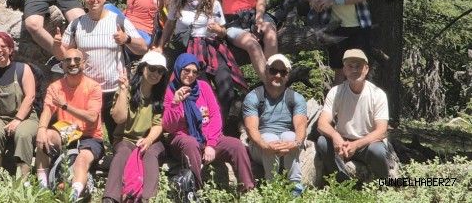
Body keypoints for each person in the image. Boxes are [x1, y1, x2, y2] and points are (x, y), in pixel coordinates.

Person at [53, 0, 147, 144]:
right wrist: (56, 44)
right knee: (84, 135)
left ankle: (118, 164)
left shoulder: (119, 21)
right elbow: (64, 56)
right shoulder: (77, 24)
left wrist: (127, 39)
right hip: (86, 90)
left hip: (114, 88)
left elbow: (142, 47)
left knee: (117, 136)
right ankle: (87, 163)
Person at [153, 0, 246, 122]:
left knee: (226, 90)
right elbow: (169, 25)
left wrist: (218, 30)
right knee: (200, 90)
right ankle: (200, 126)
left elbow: (223, 30)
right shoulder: (177, 1)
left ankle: (218, 126)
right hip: (189, 48)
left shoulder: (212, 2)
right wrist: (161, 46)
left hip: (211, 46)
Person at [163, 53, 254, 192]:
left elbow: (215, 116)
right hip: (182, 140)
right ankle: (195, 192)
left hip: (206, 138)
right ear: (179, 69)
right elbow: (169, 127)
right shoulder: (170, 91)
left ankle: (247, 190)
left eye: (195, 72)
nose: (191, 74)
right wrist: (175, 103)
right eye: (186, 70)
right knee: (190, 143)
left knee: (236, 146)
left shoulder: (203, 87)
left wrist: (211, 144)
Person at [34, 49, 104, 201]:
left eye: (77, 60)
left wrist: (65, 106)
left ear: (83, 64)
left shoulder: (93, 87)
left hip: (90, 136)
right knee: (44, 138)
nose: (72, 63)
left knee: (81, 160)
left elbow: (92, 118)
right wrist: (41, 129)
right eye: (68, 60)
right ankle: (42, 187)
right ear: (62, 65)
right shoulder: (55, 87)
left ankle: (73, 195)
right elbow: (47, 110)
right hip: (66, 132)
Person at [102, 51, 168, 203]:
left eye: (160, 71)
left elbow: (158, 125)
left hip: (152, 139)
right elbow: (119, 118)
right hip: (125, 139)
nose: (156, 74)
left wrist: (149, 140)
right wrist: (124, 91)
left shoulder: (160, 94)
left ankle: (147, 199)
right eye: (152, 68)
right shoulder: (127, 88)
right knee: (123, 151)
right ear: (143, 68)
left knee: (151, 154)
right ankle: (110, 197)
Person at [316, 49, 390, 181]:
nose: (354, 70)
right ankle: (342, 182)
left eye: (358, 66)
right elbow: (322, 123)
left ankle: (383, 182)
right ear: (344, 71)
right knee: (322, 142)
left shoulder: (377, 94)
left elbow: (381, 131)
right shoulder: (336, 92)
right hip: (343, 142)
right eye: (350, 66)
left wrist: (356, 145)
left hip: (367, 143)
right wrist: (336, 136)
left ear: (366, 69)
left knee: (377, 151)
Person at [242, 54, 307, 196]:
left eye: (283, 72)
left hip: (286, 147)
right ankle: (272, 188)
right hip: (260, 147)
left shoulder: (296, 98)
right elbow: (251, 129)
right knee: (269, 138)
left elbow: (301, 127)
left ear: (288, 76)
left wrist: (296, 143)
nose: (277, 75)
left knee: (290, 135)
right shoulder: (253, 97)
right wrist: (265, 146)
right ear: (266, 71)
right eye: (273, 71)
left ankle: (295, 187)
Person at [0, 32, 39, 177]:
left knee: (23, 134)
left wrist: (17, 120)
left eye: (3, 46)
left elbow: (30, 97)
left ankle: (22, 179)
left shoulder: (23, 69)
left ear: (11, 49)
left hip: (25, 117)